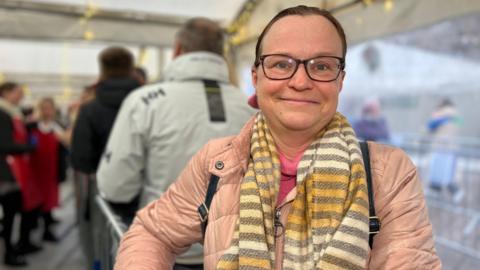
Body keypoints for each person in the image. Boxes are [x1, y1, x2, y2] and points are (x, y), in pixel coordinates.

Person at [113, 6, 441, 270]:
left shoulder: (388, 171)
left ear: (340, 80)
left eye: (322, 66)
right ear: (255, 77)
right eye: (280, 64)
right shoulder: (218, 162)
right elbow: (152, 232)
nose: (300, 81)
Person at [96, 17, 254, 268]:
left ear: (178, 49)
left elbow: (115, 186)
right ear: (221, 52)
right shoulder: (250, 106)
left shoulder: (145, 102)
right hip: (237, 253)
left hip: (163, 252)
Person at [71, 46, 142, 174]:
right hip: (148, 186)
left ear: (102, 71)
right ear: (131, 69)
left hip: (105, 184)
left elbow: (81, 159)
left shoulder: (89, 110)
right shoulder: (150, 106)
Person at [0, 82, 36, 266]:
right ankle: (8, 253)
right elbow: (5, 144)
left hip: (9, 171)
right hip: (6, 174)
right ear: (6, 92)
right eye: (18, 93)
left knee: (10, 214)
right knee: (9, 214)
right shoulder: (4, 113)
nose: (21, 96)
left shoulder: (12, 113)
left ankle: (10, 249)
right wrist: (28, 147)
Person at [28, 97, 68, 242]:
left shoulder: (56, 126)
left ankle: (46, 230)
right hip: (34, 171)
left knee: (49, 201)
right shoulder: (31, 126)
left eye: (49, 108)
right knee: (33, 200)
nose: (47, 111)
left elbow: (66, 142)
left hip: (51, 171)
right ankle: (31, 227)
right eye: (44, 108)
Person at [427, 98, 463, 201]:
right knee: (449, 171)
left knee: (440, 170)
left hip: (441, 147)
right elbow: (459, 123)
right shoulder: (456, 114)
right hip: (451, 147)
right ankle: (438, 190)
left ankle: (440, 191)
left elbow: (430, 126)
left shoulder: (440, 113)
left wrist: (437, 117)